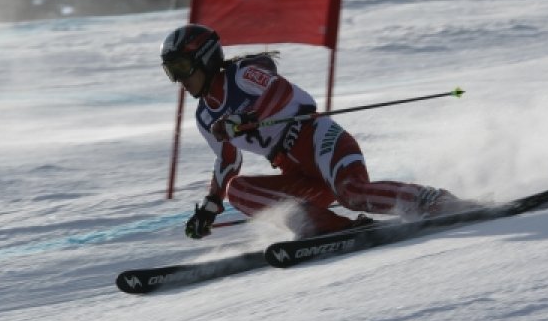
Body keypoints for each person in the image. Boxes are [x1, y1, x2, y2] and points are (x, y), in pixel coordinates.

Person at [160, 23, 467, 240]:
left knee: (352, 194)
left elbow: (278, 91)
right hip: (294, 170)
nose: (179, 80)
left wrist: (246, 116)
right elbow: (228, 161)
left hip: (320, 141)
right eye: (171, 72)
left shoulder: (240, 75)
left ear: (204, 59)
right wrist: (210, 206)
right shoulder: (205, 116)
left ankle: (433, 201)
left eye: (182, 68)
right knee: (237, 189)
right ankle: (324, 226)